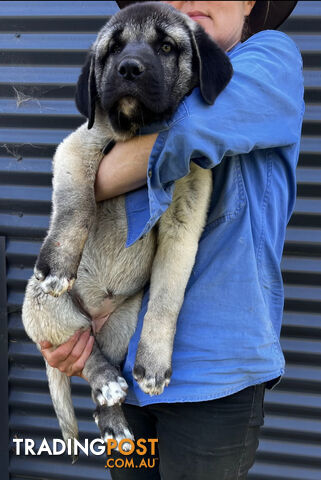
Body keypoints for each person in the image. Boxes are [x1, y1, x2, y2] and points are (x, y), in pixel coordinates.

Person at [39, 1, 304, 478]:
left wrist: (84, 171)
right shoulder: (153, 89)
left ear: (249, 2)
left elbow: (193, 131)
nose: (189, 1)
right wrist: (69, 331)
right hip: (126, 372)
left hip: (214, 381)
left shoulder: (272, 59)